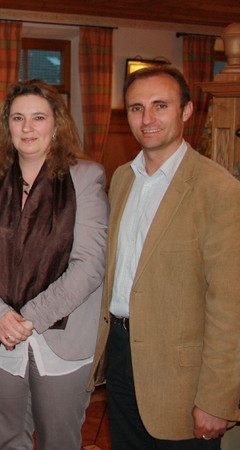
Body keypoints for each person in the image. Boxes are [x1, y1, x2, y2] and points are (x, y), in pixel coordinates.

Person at [88, 65, 240, 448]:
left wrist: (217, 399)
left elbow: (230, 307)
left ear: (186, 112)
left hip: (182, 379)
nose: (148, 118)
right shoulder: (122, 177)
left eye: (160, 106)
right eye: (137, 108)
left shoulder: (218, 190)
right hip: (122, 358)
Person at [0, 79, 108, 449]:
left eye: (38, 118)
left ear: (56, 124)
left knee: (60, 442)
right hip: (0, 339)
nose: (27, 128)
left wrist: (28, 320)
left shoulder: (86, 177)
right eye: (18, 118)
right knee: (8, 441)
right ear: (6, 125)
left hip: (61, 339)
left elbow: (89, 264)